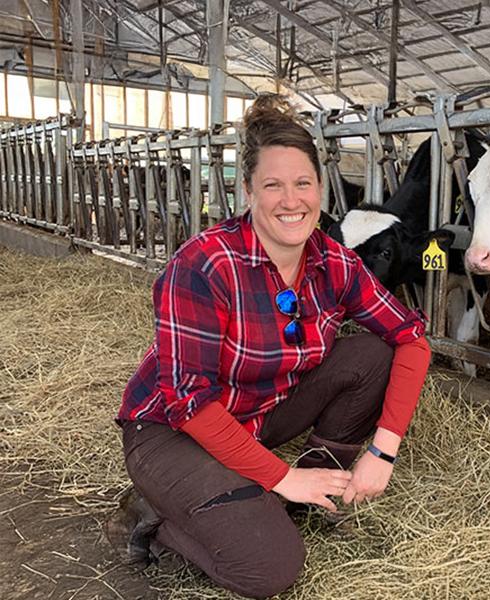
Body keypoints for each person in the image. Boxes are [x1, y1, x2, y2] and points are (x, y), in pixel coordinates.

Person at [110, 94, 431, 599]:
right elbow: (190, 404)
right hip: (170, 432)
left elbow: (411, 338)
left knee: (372, 354)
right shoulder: (204, 264)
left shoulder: (333, 262)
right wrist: (279, 476)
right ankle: (155, 518)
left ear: (321, 189)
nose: (291, 200)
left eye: (303, 183)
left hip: (256, 416)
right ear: (248, 191)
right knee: (268, 569)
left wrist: (382, 452)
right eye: (273, 185)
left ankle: (313, 492)